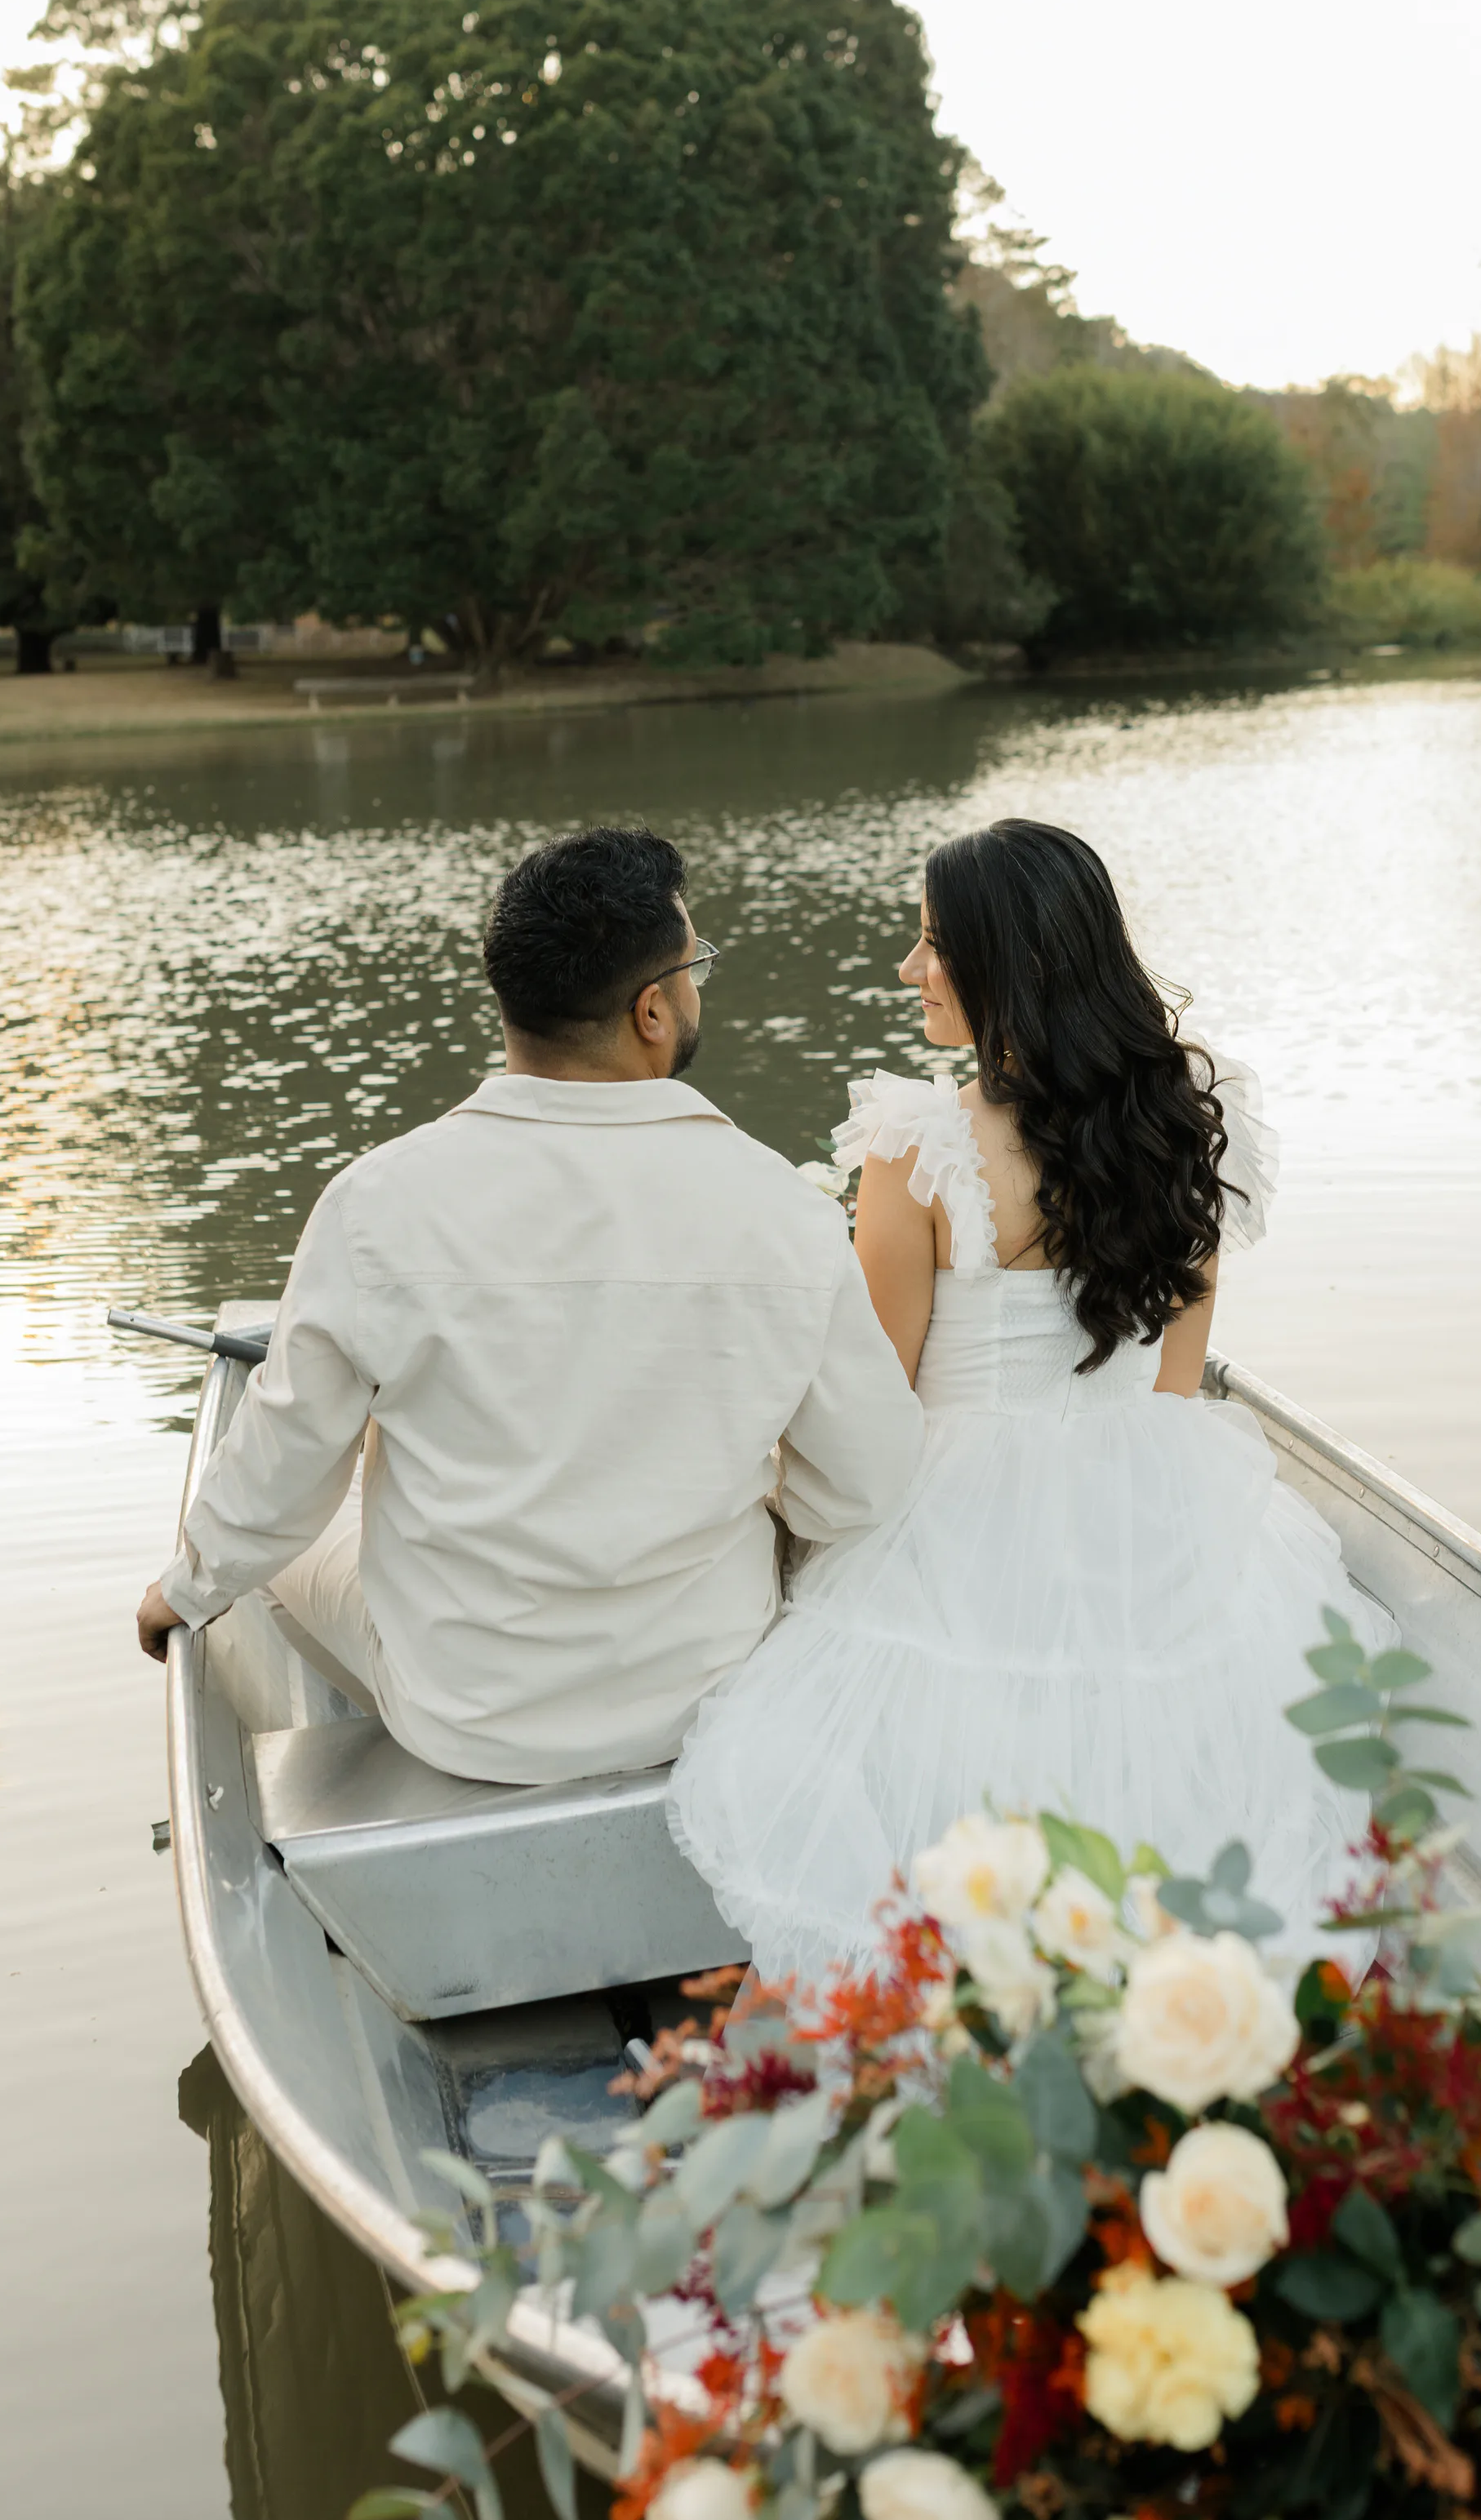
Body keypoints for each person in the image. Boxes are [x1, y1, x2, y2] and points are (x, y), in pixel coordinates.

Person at [667, 816, 1385, 1976]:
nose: (910, 967)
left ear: (1011, 961)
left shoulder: (917, 1146)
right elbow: (1175, 1386)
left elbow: (875, 1403)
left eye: (933, 943)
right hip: (1155, 1488)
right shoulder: (1187, 1121)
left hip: (952, 1509)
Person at [135, 826, 923, 1787]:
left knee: (281, 1543)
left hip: (468, 1718)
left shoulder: (376, 1203)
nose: (697, 989)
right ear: (652, 1010)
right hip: (701, 1694)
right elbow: (868, 1480)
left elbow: (284, 1463)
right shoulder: (782, 1208)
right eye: (695, 968)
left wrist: (183, 1589)